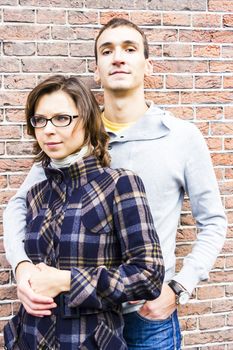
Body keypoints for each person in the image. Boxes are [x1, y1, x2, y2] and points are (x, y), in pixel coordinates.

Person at [4, 18, 227, 350]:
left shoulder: (181, 137)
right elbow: (21, 204)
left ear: (147, 65)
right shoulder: (72, 135)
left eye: (129, 49)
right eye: (107, 51)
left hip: (145, 313)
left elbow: (213, 222)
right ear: (96, 70)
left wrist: (178, 287)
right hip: (78, 319)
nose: (118, 57)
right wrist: (23, 267)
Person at [3, 75, 164, 349]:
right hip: (30, 338)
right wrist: (26, 280)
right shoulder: (36, 194)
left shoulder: (119, 184)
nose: (48, 130)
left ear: (87, 121)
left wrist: (66, 281)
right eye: (39, 120)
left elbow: (148, 276)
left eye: (62, 118)